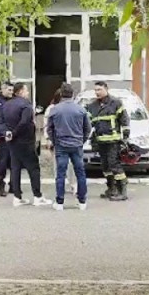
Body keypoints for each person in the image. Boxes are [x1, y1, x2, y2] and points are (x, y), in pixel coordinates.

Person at [2, 83, 51, 207]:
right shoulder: (26, 105)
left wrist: (8, 133)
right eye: (26, 90)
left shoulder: (6, 105)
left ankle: (17, 197)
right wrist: (15, 133)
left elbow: (2, 122)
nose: (28, 93)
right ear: (20, 92)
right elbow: (24, 122)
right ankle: (37, 196)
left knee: (15, 168)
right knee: (33, 168)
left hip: (12, 142)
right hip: (25, 141)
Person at [46, 83, 90, 211]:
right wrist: (82, 140)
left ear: (61, 94)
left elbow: (50, 129)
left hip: (61, 145)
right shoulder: (80, 109)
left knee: (60, 174)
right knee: (80, 173)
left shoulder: (55, 109)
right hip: (77, 144)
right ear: (73, 94)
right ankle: (82, 201)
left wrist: (55, 141)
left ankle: (59, 202)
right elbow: (87, 128)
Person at [85, 82, 130, 201]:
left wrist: (125, 138)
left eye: (99, 89)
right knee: (105, 167)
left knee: (114, 164)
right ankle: (111, 188)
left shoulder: (115, 103)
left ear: (106, 89)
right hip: (100, 141)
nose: (97, 92)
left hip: (113, 141)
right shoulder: (92, 106)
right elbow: (88, 123)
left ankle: (122, 191)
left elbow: (124, 120)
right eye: (95, 90)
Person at [43, 88, 75, 197]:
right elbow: (47, 125)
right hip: (57, 140)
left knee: (70, 165)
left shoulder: (72, 108)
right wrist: (48, 138)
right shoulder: (52, 109)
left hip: (69, 140)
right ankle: (60, 186)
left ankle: (72, 184)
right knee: (58, 165)